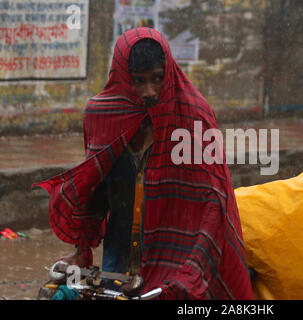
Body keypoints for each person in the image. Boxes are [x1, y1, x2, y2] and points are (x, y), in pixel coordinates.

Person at [33, 28, 254, 300]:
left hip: (179, 262)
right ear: (123, 78)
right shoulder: (103, 117)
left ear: (169, 73)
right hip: (120, 262)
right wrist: (81, 252)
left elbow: (213, 203)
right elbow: (94, 191)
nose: (149, 91)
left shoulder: (194, 117)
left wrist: (193, 269)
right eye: (139, 81)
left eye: (157, 79)